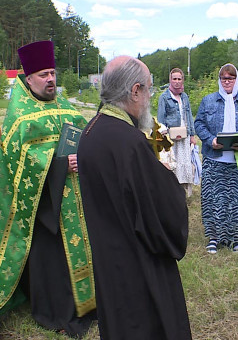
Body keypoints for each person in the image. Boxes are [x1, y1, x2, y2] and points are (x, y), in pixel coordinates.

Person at [78, 56, 192, 340]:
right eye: (149, 89)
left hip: (109, 259)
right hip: (139, 265)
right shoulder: (130, 142)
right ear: (135, 91)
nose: (150, 97)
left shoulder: (92, 130)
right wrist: (165, 176)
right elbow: (162, 212)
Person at [0, 40, 96, 337]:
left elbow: (84, 140)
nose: (50, 79)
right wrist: (60, 166)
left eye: (52, 73)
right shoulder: (20, 116)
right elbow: (16, 162)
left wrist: (82, 156)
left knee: (79, 252)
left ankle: (86, 303)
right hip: (41, 207)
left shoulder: (67, 108)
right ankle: (56, 311)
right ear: (28, 77)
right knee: (51, 260)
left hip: (73, 200)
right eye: (43, 74)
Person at [194, 63, 238, 253]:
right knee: (213, 199)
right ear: (219, 81)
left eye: (231, 78)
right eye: (224, 78)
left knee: (237, 200)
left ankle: (234, 237)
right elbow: (198, 123)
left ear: (236, 80)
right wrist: (210, 140)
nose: (227, 82)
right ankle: (214, 237)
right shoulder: (208, 101)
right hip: (215, 159)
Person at [157, 68, 196, 196]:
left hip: (184, 135)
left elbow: (188, 116)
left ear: (182, 80)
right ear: (170, 80)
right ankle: (171, 192)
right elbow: (161, 119)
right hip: (170, 136)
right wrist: (163, 136)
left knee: (185, 164)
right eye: (174, 79)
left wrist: (192, 135)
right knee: (173, 164)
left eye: (179, 79)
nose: (177, 82)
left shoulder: (184, 97)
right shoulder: (164, 97)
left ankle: (183, 192)